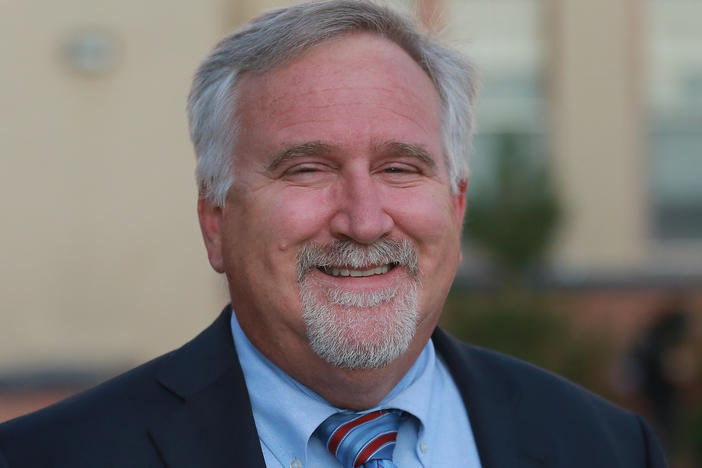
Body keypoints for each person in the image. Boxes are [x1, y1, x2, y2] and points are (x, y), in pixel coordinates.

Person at [0, 1, 668, 467]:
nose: (364, 219)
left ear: (457, 209)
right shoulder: (50, 457)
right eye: (308, 168)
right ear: (215, 219)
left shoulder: (604, 447)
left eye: (400, 168)